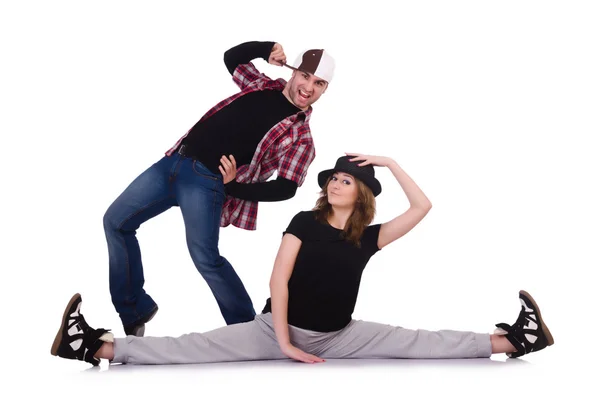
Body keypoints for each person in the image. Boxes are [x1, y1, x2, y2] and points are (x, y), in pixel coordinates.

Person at [52, 154, 554, 366]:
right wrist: (287, 345)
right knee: (192, 347)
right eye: (333, 178)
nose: (336, 183)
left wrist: (391, 163)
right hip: (276, 330)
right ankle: (92, 347)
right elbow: (280, 281)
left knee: (417, 340)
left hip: (340, 335)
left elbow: (423, 208)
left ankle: (514, 340)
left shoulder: (369, 237)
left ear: (360, 195)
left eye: (347, 180)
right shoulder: (303, 223)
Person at [102, 40, 335, 337]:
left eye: (319, 83)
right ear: (293, 73)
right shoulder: (262, 85)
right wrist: (267, 49)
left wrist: (235, 187)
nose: (309, 87)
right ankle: (135, 310)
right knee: (116, 222)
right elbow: (231, 58)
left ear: (325, 90)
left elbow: (286, 188)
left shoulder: (301, 136)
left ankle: (248, 331)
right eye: (305, 76)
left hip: (206, 182)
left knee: (206, 258)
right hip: (174, 161)